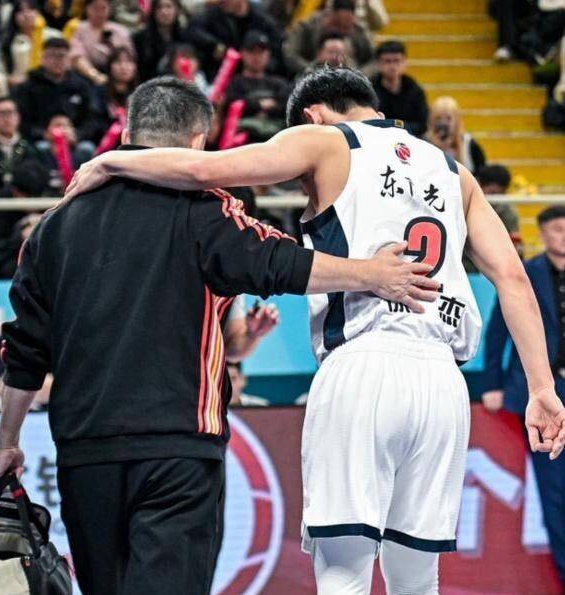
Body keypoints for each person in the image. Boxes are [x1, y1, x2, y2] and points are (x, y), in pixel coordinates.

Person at [66, 66, 565, 595]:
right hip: (443, 381)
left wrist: (109, 160)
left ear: (313, 114)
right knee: (418, 577)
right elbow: (513, 278)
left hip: (363, 364)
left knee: (343, 569)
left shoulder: (326, 141)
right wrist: (541, 388)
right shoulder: (454, 171)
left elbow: (204, 169)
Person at [0, 76, 439, 595]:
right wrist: (369, 274)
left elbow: (23, 348)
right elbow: (283, 263)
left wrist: (8, 441)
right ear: (198, 142)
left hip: (84, 451)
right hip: (178, 446)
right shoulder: (207, 211)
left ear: (128, 133)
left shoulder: (54, 227)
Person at [482, 205, 565, 589]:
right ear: (542, 234)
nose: (563, 236)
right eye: (556, 229)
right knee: (554, 492)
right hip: (543, 390)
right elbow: (497, 330)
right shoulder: (524, 273)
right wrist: (492, 383)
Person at [14, 37, 99, 144]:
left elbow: (92, 118)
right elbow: (21, 120)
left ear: (69, 59)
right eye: (52, 56)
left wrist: (77, 134)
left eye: (61, 56)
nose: (57, 60)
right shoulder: (29, 86)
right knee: (41, 147)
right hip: (41, 139)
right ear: (43, 58)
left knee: (87, 148)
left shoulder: (81, 86)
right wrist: (43, 134)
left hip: (75, 139)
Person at [186, 0, 286, 79]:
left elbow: (277, 53)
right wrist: (214, 45)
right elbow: (192, 30)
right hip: (223, 74)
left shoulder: (262, 20)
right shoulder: (216, 13)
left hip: (257, 77)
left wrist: (260, 64)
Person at [224, 30, 289, 142]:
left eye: (261, 52)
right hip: (242, 141)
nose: (257, 56)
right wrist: (260, 105)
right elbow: (231, 104)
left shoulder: (278, 83)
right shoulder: (234, 82)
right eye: (251, 51)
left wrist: (253, 107)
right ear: (242, 53)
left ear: (268, 54)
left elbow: (285, 106)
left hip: (274, 139)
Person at [284, 0, 373, 76]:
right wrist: (312, 71)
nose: (342, 31)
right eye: (338, 25)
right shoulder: (305, 28)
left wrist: (358, 75)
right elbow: (290, 55)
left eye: (346, 27)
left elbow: (374, 60)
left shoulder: (359, 31)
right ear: (328, 15)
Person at [371, 40, 429, 137]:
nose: (392, 66)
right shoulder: (369, 91)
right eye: (388, 61)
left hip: (411, 138)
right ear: (379, 64)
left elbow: (422, 124)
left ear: (404, 63)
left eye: (397, 61)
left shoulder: (415, 90)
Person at [69, 0, 134, 86]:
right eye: (95, 8)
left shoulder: (120, 31)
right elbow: (77, 57)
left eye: (103, 8)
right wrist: (94, 75)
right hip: (87, 77)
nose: (99, 13)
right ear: (86, 9)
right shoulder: (80, 29)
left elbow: (128, 57)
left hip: (117, 77)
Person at [1, 0, 63, 86]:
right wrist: (11, 80)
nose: (26, 15)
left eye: (31, 9)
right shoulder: (9, 41)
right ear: (14, 17)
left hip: (52, 84)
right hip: (20, 86)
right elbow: (1, 71)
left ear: (38, 13)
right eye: (21, 11)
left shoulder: (55, 35)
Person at [425, 95, 486, 176]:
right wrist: (436, 148)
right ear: (431, 120)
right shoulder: (423, 143)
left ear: (457, 120)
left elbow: (481, 175)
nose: (443, 123)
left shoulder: (470, 145)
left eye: (448, 118)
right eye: (438, 118)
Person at [38, 114, 95, 196]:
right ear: (46, 133)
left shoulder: (84, 155)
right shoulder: (40, 155)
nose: (63, 130)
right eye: (58, 125)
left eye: (67, 126)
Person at [132, 0, 188, 82]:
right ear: (153, 12)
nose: (164, 12)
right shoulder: (141, 38)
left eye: (169, 7)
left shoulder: (185, 36)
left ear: (177, 10)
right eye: (159, 8)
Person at [95, 47, 138, 135]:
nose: (123, 67)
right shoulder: (99, 92)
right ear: (110, 66)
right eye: (118, 62)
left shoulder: (141, 94)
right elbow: (95, 122)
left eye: (129, 62)